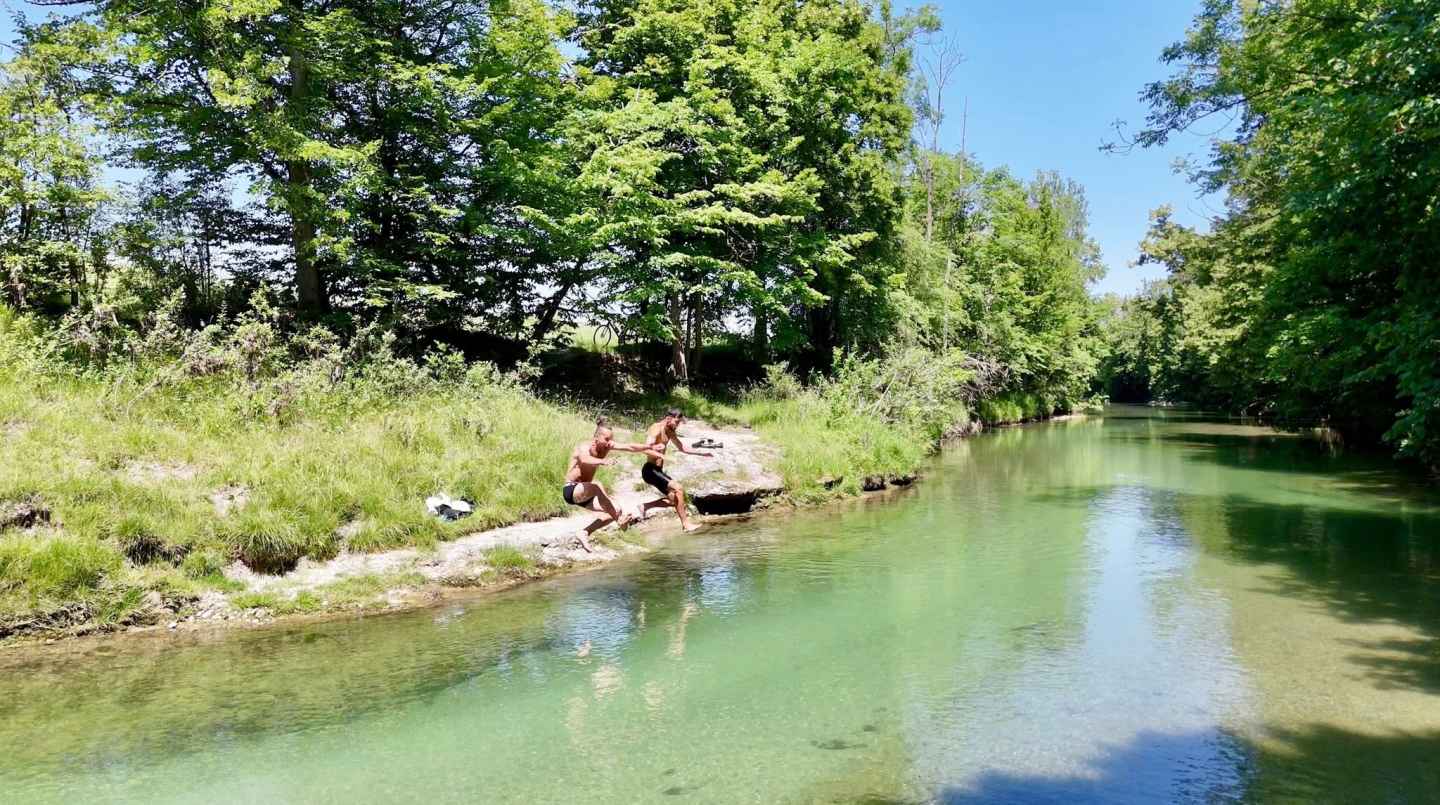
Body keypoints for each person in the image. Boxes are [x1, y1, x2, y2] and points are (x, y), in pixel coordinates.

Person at [561, 420, 650, 551]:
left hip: (586, 494)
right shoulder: (583, 447)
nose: (609, 442)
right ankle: (620, 521)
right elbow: (585, 459)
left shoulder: (606, 446)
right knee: (597, 485)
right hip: (572, 489)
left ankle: (585, 532)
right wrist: (603, 461)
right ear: (596, 437)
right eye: (607, 438)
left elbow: (629, 447)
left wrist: (648, 447)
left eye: (611, 439)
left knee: (616, 508)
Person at [638, 408, 714, 532]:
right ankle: (686, 525)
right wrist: (660, 454)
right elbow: (645, 448)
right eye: (676, 422)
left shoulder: (670, 431)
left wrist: (701, 453)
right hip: (650, 470)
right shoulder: (656, 428)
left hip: (658, 471)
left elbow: (682, 447)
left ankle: (644, 506)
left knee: (675, 500)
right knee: (678, 488)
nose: (677, 425)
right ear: (668, 418)